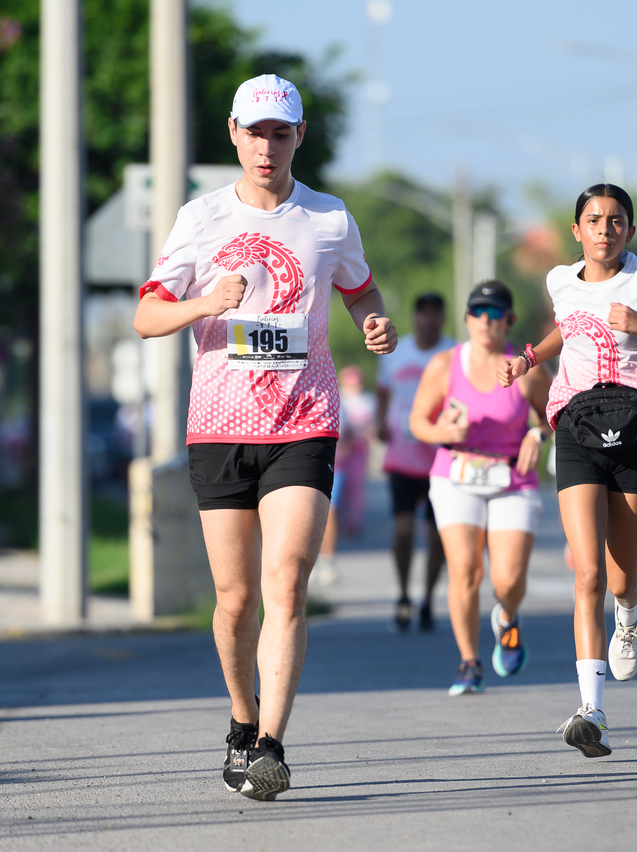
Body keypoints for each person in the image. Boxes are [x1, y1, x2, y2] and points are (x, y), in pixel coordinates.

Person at [132, 74, 397, 801]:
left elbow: (362, 291)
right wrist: (203, 304)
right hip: (219, 427)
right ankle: (242, 720)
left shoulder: (330, 218)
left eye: (281, 134)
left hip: (303, 421)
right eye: (255, 133)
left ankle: (272, 746)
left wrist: (374, 322)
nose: (267, 147)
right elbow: (147, 317)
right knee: (235, 598)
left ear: (299, 136)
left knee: (286, 580)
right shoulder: (201, 218)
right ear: (234, 133)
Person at [499, 184, 637, 757]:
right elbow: (569, 328)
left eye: (615, 220)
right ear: (577, 231)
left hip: (631, 428)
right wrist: (529, 357)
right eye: (593, 220)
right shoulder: (560, 280)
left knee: (620, 578)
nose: (604, 229)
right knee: (588, 572)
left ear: (630, 231)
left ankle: (630, 611)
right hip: (574, 426)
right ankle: (590, 708)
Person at [410, 281, 551, 695]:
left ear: (510, 320)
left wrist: (538, 434)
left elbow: (555, 415)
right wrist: (442, 431)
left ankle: (507, 616)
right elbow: (417, 421)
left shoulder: (527, 368)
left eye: (494, 313)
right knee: (465, 569)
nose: (485, 321)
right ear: (467, 319)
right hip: (456, 474)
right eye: (477, 312)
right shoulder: (444, 365)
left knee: (507, 579)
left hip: (512, 476)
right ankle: (469, 662)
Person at [377, 292, 453, 631]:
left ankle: (428, 598)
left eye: (436, 313)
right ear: (415, 317)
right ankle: (404, 593)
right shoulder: (397, 351)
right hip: (402, 456)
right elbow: (382, 391)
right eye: (424, 313)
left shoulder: (453, 352)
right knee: (404, 531)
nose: (429, 319)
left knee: (437, 537)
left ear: (443, 318)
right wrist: (381, 422)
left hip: (441, 458)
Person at [315, 365, 376, 585]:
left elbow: (349, 433)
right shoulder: (334, 395)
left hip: (338, 463)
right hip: (313, 461)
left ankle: (327, 560)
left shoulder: (347, 400)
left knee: (331, 509)